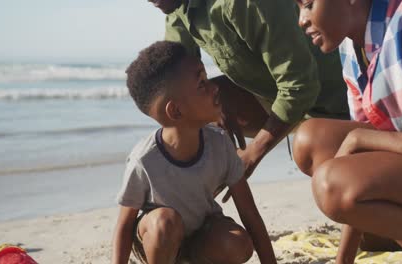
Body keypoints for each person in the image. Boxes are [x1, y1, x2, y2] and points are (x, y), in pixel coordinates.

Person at [292, 0, 402, 263]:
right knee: (312, 140)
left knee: (333, 180)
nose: (301, 20)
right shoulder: (350, 46)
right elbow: (355, 160)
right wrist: (343, 259)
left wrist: (364, 137)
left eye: (309, 4)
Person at [148, 0, 349, 189]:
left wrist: (253, 153)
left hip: (339, 104)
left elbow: (301, 85)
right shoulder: (178, 8)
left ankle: (341, 159)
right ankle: (206, 204)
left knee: (328, 180)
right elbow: (174, 91)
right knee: (191, 108)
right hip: (284, 97)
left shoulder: (243, 4)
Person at [111, 41, 277, 264]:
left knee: (237, 242)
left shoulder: (220, 143)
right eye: (202, 84)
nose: (215, 87)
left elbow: (249, 213)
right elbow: (124, 226)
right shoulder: (144, 160)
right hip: (159, 244)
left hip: (201, 238)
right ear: (176, 110)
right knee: (164, 222)